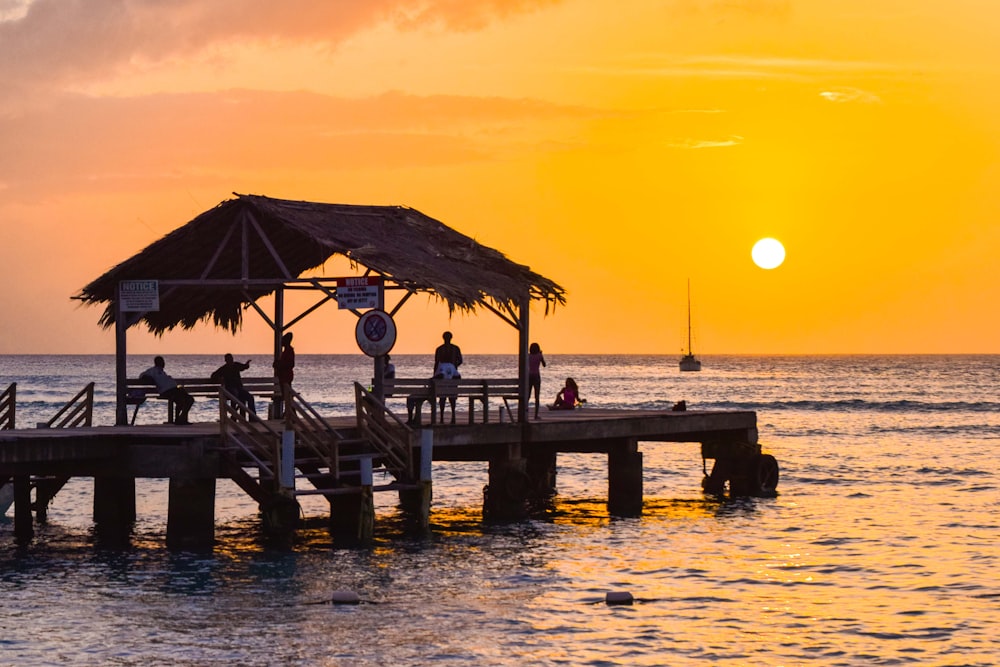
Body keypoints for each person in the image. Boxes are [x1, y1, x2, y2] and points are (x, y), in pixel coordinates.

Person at [139, 356, 194, 424]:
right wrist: (148, 378)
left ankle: (180, 418)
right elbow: (142, 375)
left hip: (173, 389)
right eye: (162, 362)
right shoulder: (153, 371)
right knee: (182, 399)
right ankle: (180, 419)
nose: (164, 363)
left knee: (188, 399)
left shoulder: (162, 372)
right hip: (166, 391)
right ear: (158, 363)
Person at [211, 353, 256, 419]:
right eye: (229, 360)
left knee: (250, 397)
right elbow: (213, 376)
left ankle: (253, 418)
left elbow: (244, 367)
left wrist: (247, 364)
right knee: (235, 395)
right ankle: (234, 416)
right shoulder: (224, 369)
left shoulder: (236, 365)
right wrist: (219, 379)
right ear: (226, 361)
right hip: (230, 389)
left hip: (239, 389)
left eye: (231, 359)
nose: (231, 361)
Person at [433, 331, 463, 423]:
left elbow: (436, 363)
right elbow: (460, 360)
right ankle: (452, 417)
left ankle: (442, 418)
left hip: (443, 377)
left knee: (443, 398)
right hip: (452, 376)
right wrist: (453, 366)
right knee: (452, 398)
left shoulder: (439, 349)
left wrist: (435, 375)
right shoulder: (455, 348)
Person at [273, 332, 295, 423]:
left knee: (287, 397)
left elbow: (290, 364)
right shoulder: (285, 351)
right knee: (287, 398)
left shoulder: (289, 351)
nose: (281, 342)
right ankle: (291, 416)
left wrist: (279, 365)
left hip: (286, 377)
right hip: (283, 377)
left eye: (283, 340)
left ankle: (291, 417)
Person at [528, 342, 546, 419]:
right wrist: (540, 355)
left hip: (529, 376)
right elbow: (544, 365)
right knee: (537, 396)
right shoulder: (539, 356)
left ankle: (525, 413)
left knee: (527, 396)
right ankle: (536, 415)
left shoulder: (528, 356)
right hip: (536, 376)